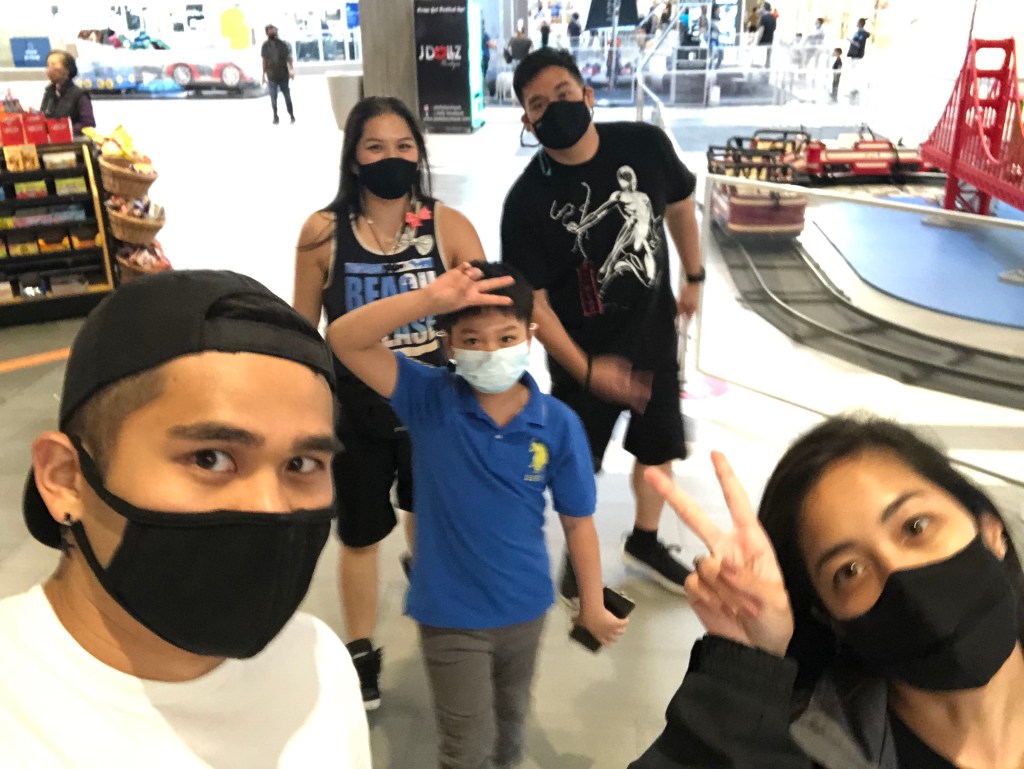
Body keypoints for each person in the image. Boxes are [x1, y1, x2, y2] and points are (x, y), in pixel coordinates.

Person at [0, 270, 371, 767]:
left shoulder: (320, 665)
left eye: (302, 464)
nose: (271, 507)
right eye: (210, 458)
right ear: (66, 479)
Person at [328, 261, 627, 769]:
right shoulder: (428, 398)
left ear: (530, 335)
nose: (490, 351)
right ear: (449, 346)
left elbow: (578, 521)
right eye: (472, 339)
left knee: (510, 729)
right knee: (465, 746)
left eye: (506, 337)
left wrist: (593, 604)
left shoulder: (556, 423)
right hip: (449, 613)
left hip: (526, 607)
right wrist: (428, 301)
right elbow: (344, 339)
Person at [631, 415, 1024, 768]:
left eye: (915, 526)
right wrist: (743, 673)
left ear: (990, 529)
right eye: (849, 571)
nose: (898, 572)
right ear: (829, 616)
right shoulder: (810, 745)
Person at [292, 96, 485, 711]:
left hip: (431, 406)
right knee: (359, 535)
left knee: (428, 518)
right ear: (354, 158)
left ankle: (434, 600)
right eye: (375, 147)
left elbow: (484, 318)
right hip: (356, 413)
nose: (391, 158)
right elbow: (302, 332)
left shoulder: (448, 226)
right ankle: (361, 648)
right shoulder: (323, 233)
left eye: (404, 146)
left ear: (419, 154)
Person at [501, 48, 704, 601]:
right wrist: (588, 370)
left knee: (658, 450)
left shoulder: (646, 145)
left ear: (588, 95)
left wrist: (695, 275)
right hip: (580, 358)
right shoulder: (525, 202)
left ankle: (645, 541)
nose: (553, 109)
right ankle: (579, 564)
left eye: (563, 94)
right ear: (527, 121)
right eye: (538, 104)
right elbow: (536, 306)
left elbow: (681, 205)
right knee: (578, 468)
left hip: (653, 338)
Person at [40, 51, 95, 136]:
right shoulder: (49, 92)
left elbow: (88, 124)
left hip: (73, 141)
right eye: (48, 65)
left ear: (67, 69)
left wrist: (64, 129)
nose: (49, 69)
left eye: (54, 64)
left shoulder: (80, 95)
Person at [261, 24, 295, 125]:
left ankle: (291, 115)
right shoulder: (265, 46)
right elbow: (264, 61)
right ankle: (275, 116)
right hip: (271, 75)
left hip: (283, 74)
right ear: (267, 33)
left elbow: (288, 58)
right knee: (273, 97)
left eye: (273, 29)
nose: (272, 32)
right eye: (269, 30)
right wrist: (263, 75)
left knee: (287, 96)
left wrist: (291, 69)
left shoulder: (282, 44)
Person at [846, 17, 870, 99]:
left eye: (857, 22)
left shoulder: (862, 34)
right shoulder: (858, 32)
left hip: (857, 55)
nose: (856, 23)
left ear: (860, 24)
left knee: (855, 73)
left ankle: (855, 90)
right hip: (854, 55)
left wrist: (851, 41)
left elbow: (858, 44)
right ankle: (853, 90)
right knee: (853, 72)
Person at [756, 2, 777, 67]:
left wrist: (757, 42)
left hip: (762, 43)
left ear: (764, 8)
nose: (760, 9)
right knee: (767, 62)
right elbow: (774, 29)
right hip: (770, 42)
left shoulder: (763, 18)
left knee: (760, 63)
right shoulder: (773, 18)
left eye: (761, 7)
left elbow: (761, 31)